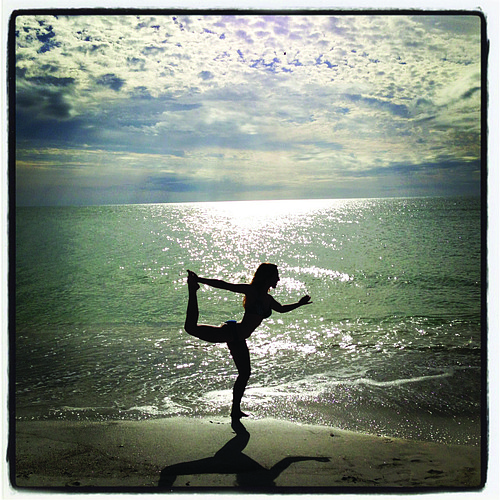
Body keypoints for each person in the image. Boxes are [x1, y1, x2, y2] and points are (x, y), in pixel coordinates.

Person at [184, 263, 312, 420]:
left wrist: (299, 303)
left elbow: (282, 309)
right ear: (267, 277)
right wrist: (200, 280)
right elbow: (225, 286)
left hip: (238, 338)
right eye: (276, 276)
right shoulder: (252, 291)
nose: (278, 279)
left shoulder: (268, 299)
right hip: (231, 333)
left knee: (245, 373)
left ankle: (235, 410)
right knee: (190, 328)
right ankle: (193, 289)